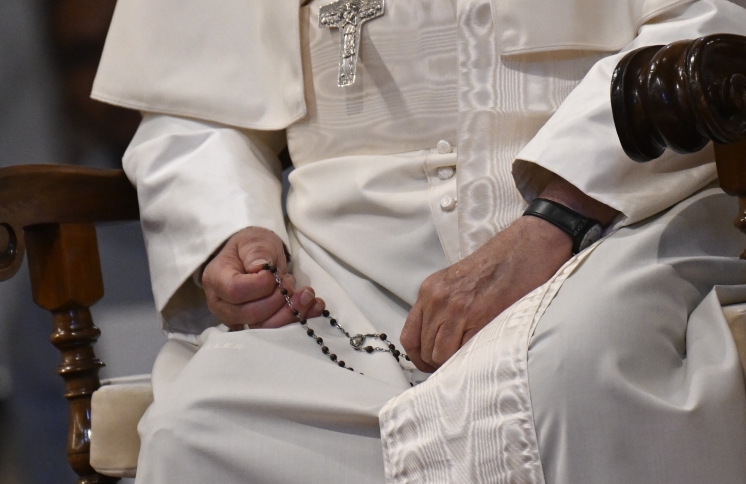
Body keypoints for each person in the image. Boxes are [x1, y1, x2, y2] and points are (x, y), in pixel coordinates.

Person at [91, 0, 746, 482]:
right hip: (342, 285)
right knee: (200, 427)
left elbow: (712, 36)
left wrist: (560, 213)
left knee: (577, 370)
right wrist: (232, 225)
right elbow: (193, 107)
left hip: (619, 220)